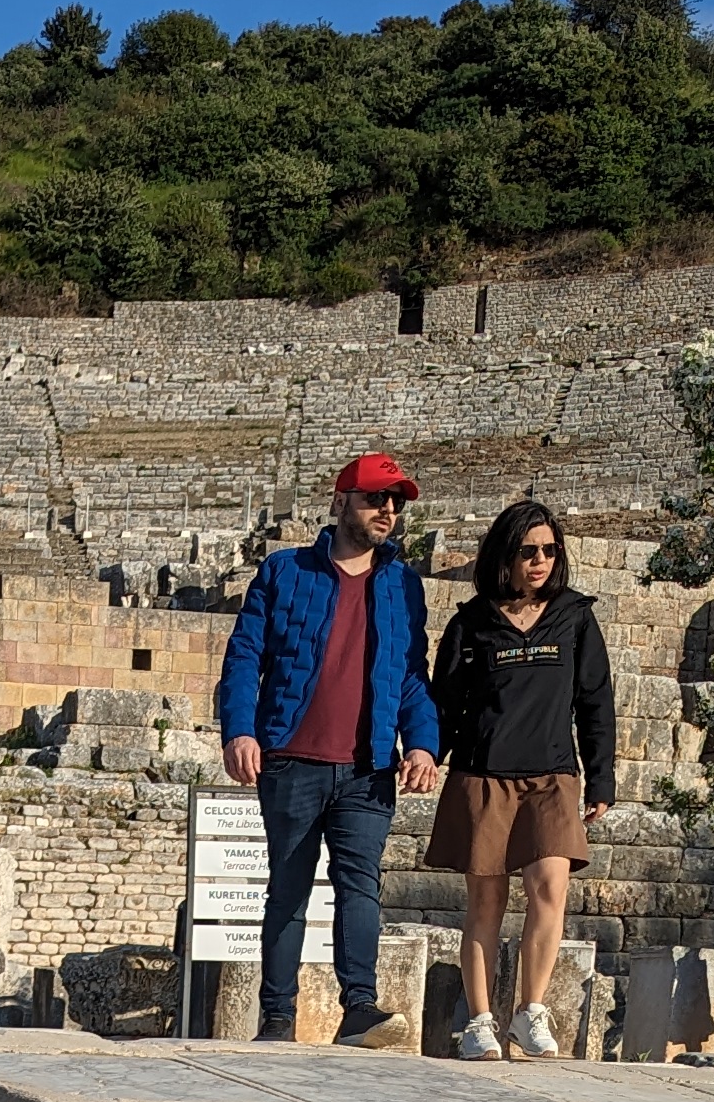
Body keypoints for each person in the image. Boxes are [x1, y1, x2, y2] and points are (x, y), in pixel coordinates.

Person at [217, 453, 441, 1047]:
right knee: (288, 885)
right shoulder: (285, 572)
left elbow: (411, 674)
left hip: (368, 766)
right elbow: (244, 657)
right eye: (375, 499)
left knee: (360, 884)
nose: (388, 511)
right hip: (290, 758)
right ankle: (277, 1018)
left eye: (396, 502)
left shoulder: (402, 586)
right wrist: (240, 730)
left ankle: (359, 1008)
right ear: (341, 502)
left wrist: (422, 744)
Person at [427, 496, 617, 1061]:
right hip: (484, 774)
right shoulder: (472, 623)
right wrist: (424, 755)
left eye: (549, 550)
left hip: (553, 775)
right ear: (504, 556)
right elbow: (447, 704)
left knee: (549, 888)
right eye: (528, 550)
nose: (540, 561)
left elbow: (595, 702)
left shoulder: (576, 617)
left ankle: (531, 1012)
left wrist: (602, 779)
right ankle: (481, 1021)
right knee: (486, 900)